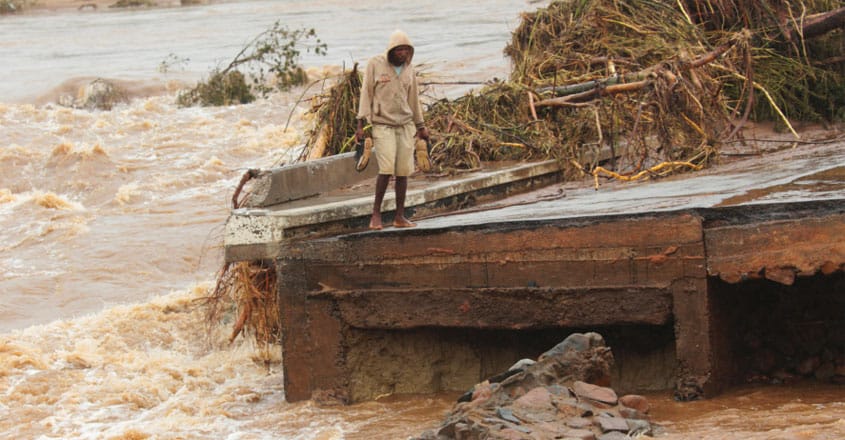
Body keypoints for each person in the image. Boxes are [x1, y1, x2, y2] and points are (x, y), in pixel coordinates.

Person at [356, 30, 429, 230]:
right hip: (383, 125)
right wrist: (360, 123)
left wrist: (421, 126)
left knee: (403, 171)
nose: (402, 53)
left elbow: (414, 99)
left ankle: (399, 216)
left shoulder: (409, 70)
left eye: (406, 50)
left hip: (405, 125)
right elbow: (366, 93)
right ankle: (376, 214)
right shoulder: (375, 64)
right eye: (398, 50)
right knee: (386, 169)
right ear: (391, 51)